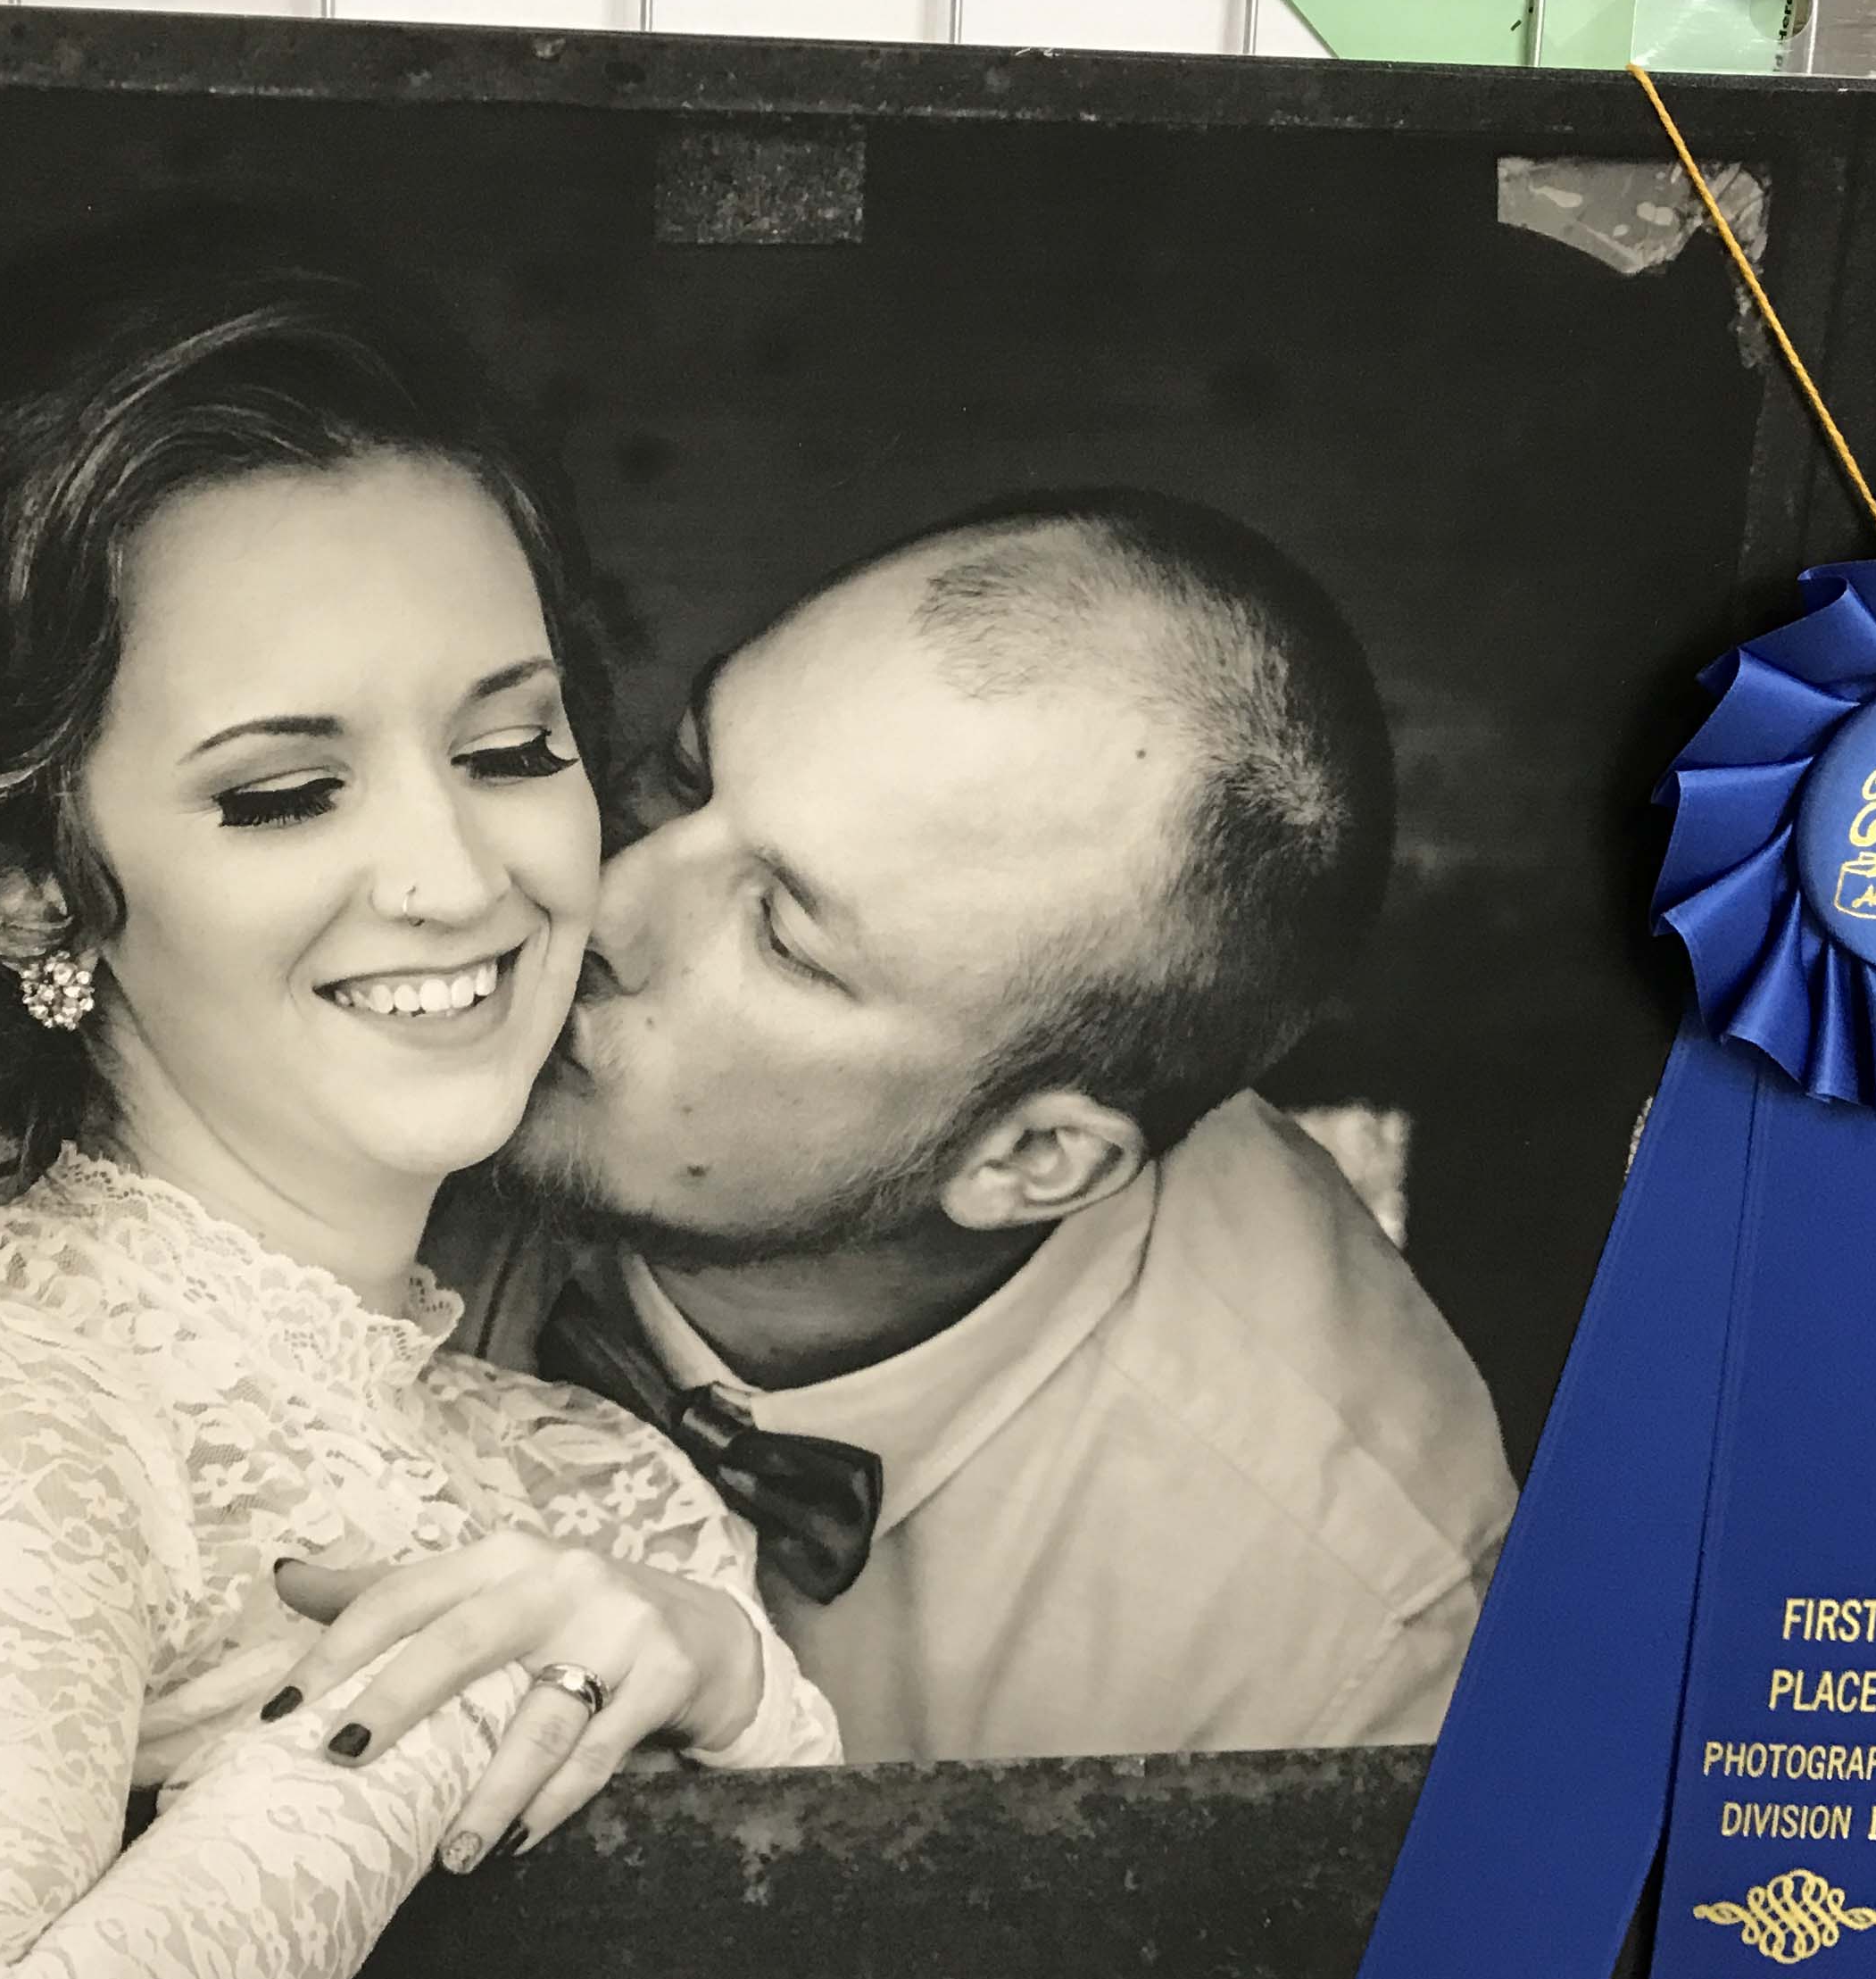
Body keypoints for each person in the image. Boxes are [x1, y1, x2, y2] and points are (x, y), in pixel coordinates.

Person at [0, 262, 841, 1979]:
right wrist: (426, 1712)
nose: (459, 879)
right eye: (285, 793)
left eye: (512, 750)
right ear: (37, 893)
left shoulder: (595, 1474)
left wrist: (721, 1667)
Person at [442, 490, 1515, 1764]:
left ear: (1028, 1160)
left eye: (782, 937)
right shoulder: (415, 966)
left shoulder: (1339, 1641)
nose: (601, 904)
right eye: (686, 774)